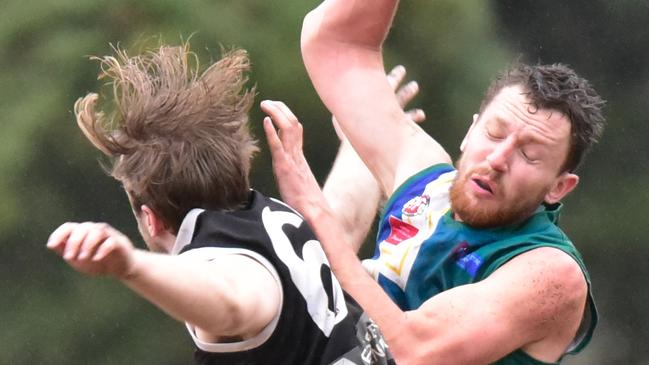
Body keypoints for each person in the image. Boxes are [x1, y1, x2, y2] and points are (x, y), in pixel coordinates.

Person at [262, 1, 606, 364]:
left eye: (530, 155)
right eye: (494, 132)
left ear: (558, 187)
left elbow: (414, 352)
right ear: (471, 130)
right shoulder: (424, 174)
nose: (497, 159)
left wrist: (314, 209)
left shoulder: (552, 275)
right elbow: (336, 44)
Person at [46, 43, 428, 365]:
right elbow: (341, 222)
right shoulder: (279, 222)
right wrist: (369, 132)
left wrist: (131, 265)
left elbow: (230, 302)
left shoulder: (227, 258)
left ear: (150, 218)